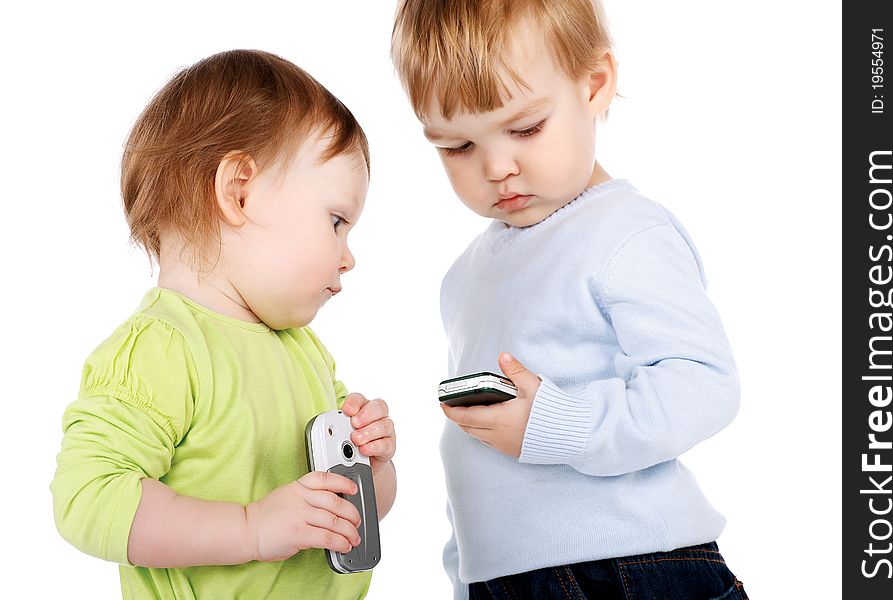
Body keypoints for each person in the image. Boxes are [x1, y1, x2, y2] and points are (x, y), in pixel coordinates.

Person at [391, 1, 747, 598]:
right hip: (508, 577)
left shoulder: (626, 232)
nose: (498, 167)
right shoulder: (465, 274)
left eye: (525, 128)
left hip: (628, 562)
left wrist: (559, 424)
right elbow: (479, 451)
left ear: (595, 84)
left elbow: (704, 383)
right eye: (456, 147)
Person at [51, 49, 396, 600]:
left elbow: (346, 514)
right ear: (238, 191)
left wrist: (373, 468)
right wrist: (252, 529)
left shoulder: (304, 350)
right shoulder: (163, 348)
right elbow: (88, 499)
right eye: (336, 221)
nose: (348, 256)